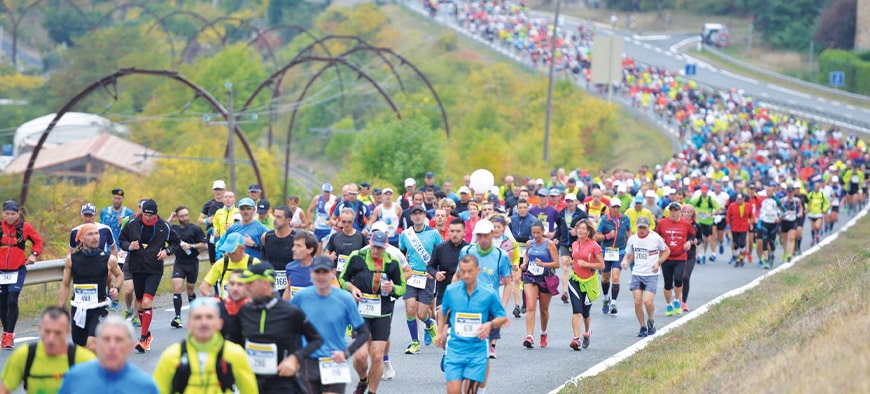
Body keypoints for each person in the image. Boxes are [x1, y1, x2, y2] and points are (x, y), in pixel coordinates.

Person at [228, 262, 323, 394]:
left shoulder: (291, 312)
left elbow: (316, 340)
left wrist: (295, 358)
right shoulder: (245, 311)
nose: (246, 287)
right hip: (250, 381)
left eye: (250, 283)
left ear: (265, 284)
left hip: (281, 383)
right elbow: (232, 341)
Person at [340, 231, 407, 394]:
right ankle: (363, 379)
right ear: (369, 243)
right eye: (374, 247)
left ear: (385, 247)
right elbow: (342, 278)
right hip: (361, 312)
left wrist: (392, 289)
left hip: (382, 312)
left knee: (377, 356)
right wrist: (352, 288)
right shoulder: (357, 257)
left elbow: (402, 288)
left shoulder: (392, 262)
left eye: (380, 248)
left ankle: (372, 391)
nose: (376, 251)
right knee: (360, 357)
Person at [292, 256, 371, 394]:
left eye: (325, 272)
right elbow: (288, 328)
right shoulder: (301, 297)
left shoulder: (345, 299)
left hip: (335, 362)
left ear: (333, 272)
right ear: (311, 273)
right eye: (317, 272)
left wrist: (346, 353)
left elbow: (364, 333)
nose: (321, 276)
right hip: (307, 363)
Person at [435, 254, 508, 394]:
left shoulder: (489, 293)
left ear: (478, 270)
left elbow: (502, 317)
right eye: (463, 271)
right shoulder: (451, 291)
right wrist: (440, 332)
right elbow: (442, 311)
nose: (466, 275)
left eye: (470, 271)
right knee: (453, 391)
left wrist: (489, 325)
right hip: (455, 349)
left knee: (470, 392)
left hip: (477, 351)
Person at [153, 297, 258, 394]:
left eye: (209, 317)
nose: (204, 323)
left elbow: (250, 391)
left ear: (220, 323)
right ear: (188, 324)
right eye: (198, 317)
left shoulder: (235, 354)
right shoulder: (171, 356)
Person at [118, 199, 180, 353]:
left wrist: (167, 252)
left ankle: (143, 338)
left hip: (154, 269)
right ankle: (147, 334)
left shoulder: (164, 226)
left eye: (151, 215)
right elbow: (121, 240)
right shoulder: (132, 223)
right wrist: (129, 246)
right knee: (139, 304)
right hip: (136, 267)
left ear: (156, 214)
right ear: (142, 212)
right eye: (145, 214)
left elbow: (176, 242)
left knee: (146, 302)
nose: (148, 218)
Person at [59, 223, 123, 352]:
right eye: (90, 234)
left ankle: (96, 370)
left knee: (92, 344)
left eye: (96, 233)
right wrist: (60, 308)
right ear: (81, 239)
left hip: (98, 308)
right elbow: (65, 284)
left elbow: (120, 275)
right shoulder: (72, 259)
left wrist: (116, 288)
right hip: (79, 308)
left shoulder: (108, 259)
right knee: (80, 348)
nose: (95, 237)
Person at [0, 307, 95, 394]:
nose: (51, 338)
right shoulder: (25, 355)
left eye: (58, 333)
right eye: (47, 331)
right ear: (39, 329)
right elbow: (4, 390)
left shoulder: (85, 360)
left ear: (68, 331)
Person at [457, 219, 512, 366]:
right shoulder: (467, 251)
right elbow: (457, 276)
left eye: (486, 236)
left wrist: (503, 306)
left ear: (492, 234)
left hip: (489, 300)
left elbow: (508, 283)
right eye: (479, 236)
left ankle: (490, 347)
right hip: (468, 299)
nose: (482, 239)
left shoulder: (502, 255)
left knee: (483, 348)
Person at [58, 315, 158, 393]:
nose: (112, 346)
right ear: (97, 344)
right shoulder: (74, 377)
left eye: (119, 340)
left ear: (130, 346)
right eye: (106, 339)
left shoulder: (145, 386)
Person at [398, 205, 442, 354]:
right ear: (411, 217)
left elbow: (442, 253)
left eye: (420, 214)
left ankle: (430, 324)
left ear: (425, 216)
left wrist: (435, 271)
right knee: (410, 309)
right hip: (411, 276)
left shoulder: (434, 234)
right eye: (414, 214)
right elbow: (401, 255)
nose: (417, 217)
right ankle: (414, 343)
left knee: (422, 313)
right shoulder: (405, 235)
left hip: (427, 277)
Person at [0, 200, 44, 348]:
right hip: (1, 271)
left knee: (12, 299)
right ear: (3, 213)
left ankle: (9, 335)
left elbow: (38, 241)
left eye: (13, 214)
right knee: (2, 303)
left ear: (18, 214)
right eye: (7, 213)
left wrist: (34, 255)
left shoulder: (25, 227)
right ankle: (6, 332)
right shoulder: (0, 227)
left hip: (17, 269)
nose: (10, 216)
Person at [621, 216, 669, 337]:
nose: (641, 230)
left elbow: (667, 251)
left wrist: (658, 263)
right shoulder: (632, 239)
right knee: (637, 302)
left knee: (647, 302)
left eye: (644, 227)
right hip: (637, 273)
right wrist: (625, 261)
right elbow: (628, 254)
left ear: (648, 227)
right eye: (640, 227)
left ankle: (650, 320)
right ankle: (642, 327)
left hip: (651, 274)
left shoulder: (655, 238)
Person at [520, 220, 559, 349]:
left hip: (545, 278)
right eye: (533, 232)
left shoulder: (549, 244)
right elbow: (526, 256)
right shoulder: (529, 243)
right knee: (530, 306)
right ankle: (529, 336)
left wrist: (544, 264)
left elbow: (556, 264)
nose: (535, 235)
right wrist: (524, 264)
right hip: (531, 276)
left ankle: (543, 333)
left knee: (543, 309)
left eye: (538, 233)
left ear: (543, 232)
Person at [567, 219, 605, 350]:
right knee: (577, 310)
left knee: (585, 313)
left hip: (589, 282)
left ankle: (587, 332)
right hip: (575, 279)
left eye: (583, 229)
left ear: (588, 231)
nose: (580, 231)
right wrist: (571, 262)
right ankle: (576, 339)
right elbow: (576, 260)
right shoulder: (575, 244)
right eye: (578, 228)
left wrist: (587, 264)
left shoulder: (594, 245)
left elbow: (602, 265)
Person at [168, 206, 207, 328]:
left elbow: (203, 244)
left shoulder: (195, 229)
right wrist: (170, 219)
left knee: (190, 290)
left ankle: (194, 314)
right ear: (178, 217)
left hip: (192, 263)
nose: (185, 218)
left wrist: (191, 246)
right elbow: (160, 228)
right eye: (182, 216)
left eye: (186, 215)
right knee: (177, 288)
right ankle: (177, 317)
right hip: (179, 262)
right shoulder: (173, 229)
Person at [655, 202, 696, 316]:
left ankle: (677, 300)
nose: (673, 213)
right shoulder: (663, 223)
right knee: (668, 283)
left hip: (680, 256)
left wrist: (689, 242)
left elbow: (693, 235)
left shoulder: (686, 224)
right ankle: (669, 305)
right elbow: (655, 235)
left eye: (675, 211)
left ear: (680, 212)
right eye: (671, 211)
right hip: (666, 257)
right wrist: (660, 240)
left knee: (679, 280)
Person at [594, 198, 631, 314]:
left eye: (617, 207)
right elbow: (596, 236)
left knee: (615, 277)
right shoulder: (604, 220)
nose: (615, 209)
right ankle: (606, 298)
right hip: (606, 251)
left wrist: (631, 244)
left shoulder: (625, 219)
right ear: (609, 207)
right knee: (605, 277)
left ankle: (613, 303)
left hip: (619, 251)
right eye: (613, 207)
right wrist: (607, 236)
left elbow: (629, 232)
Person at [200, 233, 259, 299]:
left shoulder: (254, 263)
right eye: (228, 251)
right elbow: (203, 287)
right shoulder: (221, 263)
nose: (230, 254)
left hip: (247, 306)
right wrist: (211, 299)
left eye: (233, 252)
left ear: (243, 248)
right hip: (226, 306)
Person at [428, 218, 469, 310]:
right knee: (441, 322)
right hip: (444, 291)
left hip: (464, 291)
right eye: (452, 231)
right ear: (448, 231)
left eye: (458, 231)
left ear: (464, 232)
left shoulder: (469, 249)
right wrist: (435, 274)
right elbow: (430, 266)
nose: (455, 234)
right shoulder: (440, 248)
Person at [554, 193, 586, 306]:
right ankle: (565, 291)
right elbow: (559, 227)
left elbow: (587, 229)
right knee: (565, 266)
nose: (570, 203)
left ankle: (578, 289)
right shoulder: (562, 213)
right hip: (564, 243)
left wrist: (576, 232)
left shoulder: (581, 214)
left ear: (576, 202)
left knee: (576, 268)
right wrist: (556, 238)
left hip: (576, 243)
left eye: (571, 201)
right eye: (567, 201)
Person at [261, 205, 297, 295]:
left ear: (288, 220)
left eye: (279, 217)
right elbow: (263, 259)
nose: (275, 219)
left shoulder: (296, 239)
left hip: (289, 284)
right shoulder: (266, 236)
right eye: (274, 216)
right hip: (269, 283)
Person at [325, 208, 367, 274]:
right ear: (340, 220)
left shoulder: (361, 237)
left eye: (349, 222)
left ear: (353, 220)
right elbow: (327, 252)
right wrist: (330, 257)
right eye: (344, 222)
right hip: (338, 273)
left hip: (355, 274)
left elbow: (368, 254)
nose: (346, 224)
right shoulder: (335, 236)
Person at [281, 232, 318, 301]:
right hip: (295, 310)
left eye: (298, 246)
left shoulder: (320, 269)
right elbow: (289, 289)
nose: (293, 249)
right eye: (294, 245)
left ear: (310, 250)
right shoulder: (290, 267)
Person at [198, 180, 227, 264]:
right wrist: (206, 220)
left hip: (225, 234)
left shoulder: (228, 203)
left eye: (220, 189)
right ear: (213, 191)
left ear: (224, 190)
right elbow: (199, 220)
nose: (218, 192)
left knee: (225, 258)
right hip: (212, 234)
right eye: (216, 189)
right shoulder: (209, 204)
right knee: (213, 259)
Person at [679, 205, 701, 312]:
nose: (687, 214)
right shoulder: (678, 224)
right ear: (681, 213)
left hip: (690, 255)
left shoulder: (696, 225)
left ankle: (683, 302)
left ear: (693, 214)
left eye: (689, 212)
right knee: (678, 278)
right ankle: (676, 299)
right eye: (685, 212)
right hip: (678, 254)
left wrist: (696, 241)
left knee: (686, 277)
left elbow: (700, 239)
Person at [219, 270, 249, 345]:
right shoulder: (217, 310)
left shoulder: (256, 310)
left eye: (240, 284)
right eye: (232, 284)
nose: (235, 288)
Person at [726, 193, 753, 267]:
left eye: (740, 199)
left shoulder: (748, 206)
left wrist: (751, 223)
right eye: (737, 199)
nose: (739, 201)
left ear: (743, 199)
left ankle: (741, 257)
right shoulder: (732, 206)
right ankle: (737, 258)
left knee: (742, 243)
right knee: (736, 244)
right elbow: (728, 215)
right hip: (735, 227)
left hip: (744, 227)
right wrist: (728, 225)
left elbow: (751, 216)